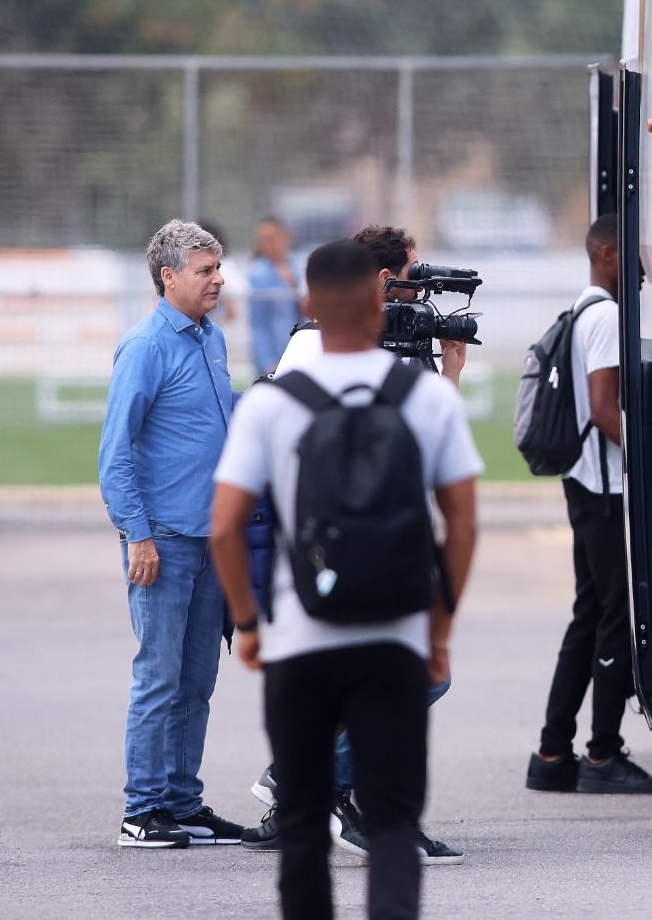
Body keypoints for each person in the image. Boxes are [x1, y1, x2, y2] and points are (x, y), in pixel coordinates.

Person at [209, 239, 482, 917]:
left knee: (303, 832)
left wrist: (247, 623)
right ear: (377, 300)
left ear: (306, 305)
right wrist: (439, 630)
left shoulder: (272, 402)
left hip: (302, 634)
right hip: (394, 630)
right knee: (390, 822)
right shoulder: (424, 398)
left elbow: (224, 526)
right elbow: (462, 524)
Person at [99, 218, 247, 849]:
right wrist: (137, 534)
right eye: (205, 271)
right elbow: (116, 453)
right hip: (163, 540)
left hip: (213, 540)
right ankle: (143, 808)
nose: (218, 280)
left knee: (198, 682)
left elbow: (218, 420)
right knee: (159, 678)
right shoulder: (146, 346)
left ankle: (183, 801)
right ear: (168, 278)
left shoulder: (209, 340)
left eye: (218, 269)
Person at [526, 214, 652, 795]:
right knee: (615, 617)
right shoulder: (607, 315)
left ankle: (553, 753)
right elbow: (606, 408)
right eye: (633, 254)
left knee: (588, 614)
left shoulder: (580, 311)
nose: (642, 266)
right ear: (606, 253)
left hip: (582, 483)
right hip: (607, 488)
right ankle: (603, 755)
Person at [272, 225, 467, 389]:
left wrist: (451, 370)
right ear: (385, 279)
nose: (419, 286)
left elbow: (435, 422)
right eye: (414, 273)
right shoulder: (310, 342)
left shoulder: (410, 341)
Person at [247, 218, 303, 376]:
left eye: (271, 238)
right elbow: (258, 324)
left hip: (297, 351)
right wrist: (267, 363)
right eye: (262, 240)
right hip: (272, 357)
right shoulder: (258, 274)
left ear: (285, 237)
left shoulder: (297, 268)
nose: (267, 244)